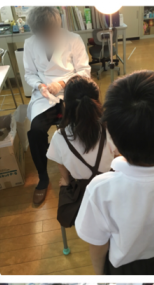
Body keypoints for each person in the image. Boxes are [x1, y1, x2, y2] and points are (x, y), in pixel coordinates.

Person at [75, 70, 154, 275]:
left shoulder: (100, 190)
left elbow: (97, 244)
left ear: (114, 139)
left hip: (123, 266)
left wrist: (101, 276)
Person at [24, 6, 90, 204]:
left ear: (57, 25)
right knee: (35, 131)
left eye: (48, 32)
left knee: (78, 126)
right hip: (44, 96)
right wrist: (40, 85)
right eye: (40, 33)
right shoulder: (30, 43)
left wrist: (62, 83)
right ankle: (43, 177)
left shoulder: (73, 39)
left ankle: (80, 168)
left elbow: (84, 71)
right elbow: (29, 73)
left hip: (71, 91)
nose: (45, 37)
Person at [47, 75, 118, 228]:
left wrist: (66, 180)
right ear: (97, 102)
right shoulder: (110, 128)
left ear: (66, 105)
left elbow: (61, 164)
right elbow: (119, 157)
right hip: (111, 189)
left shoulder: (60, 137)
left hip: (83, 194)